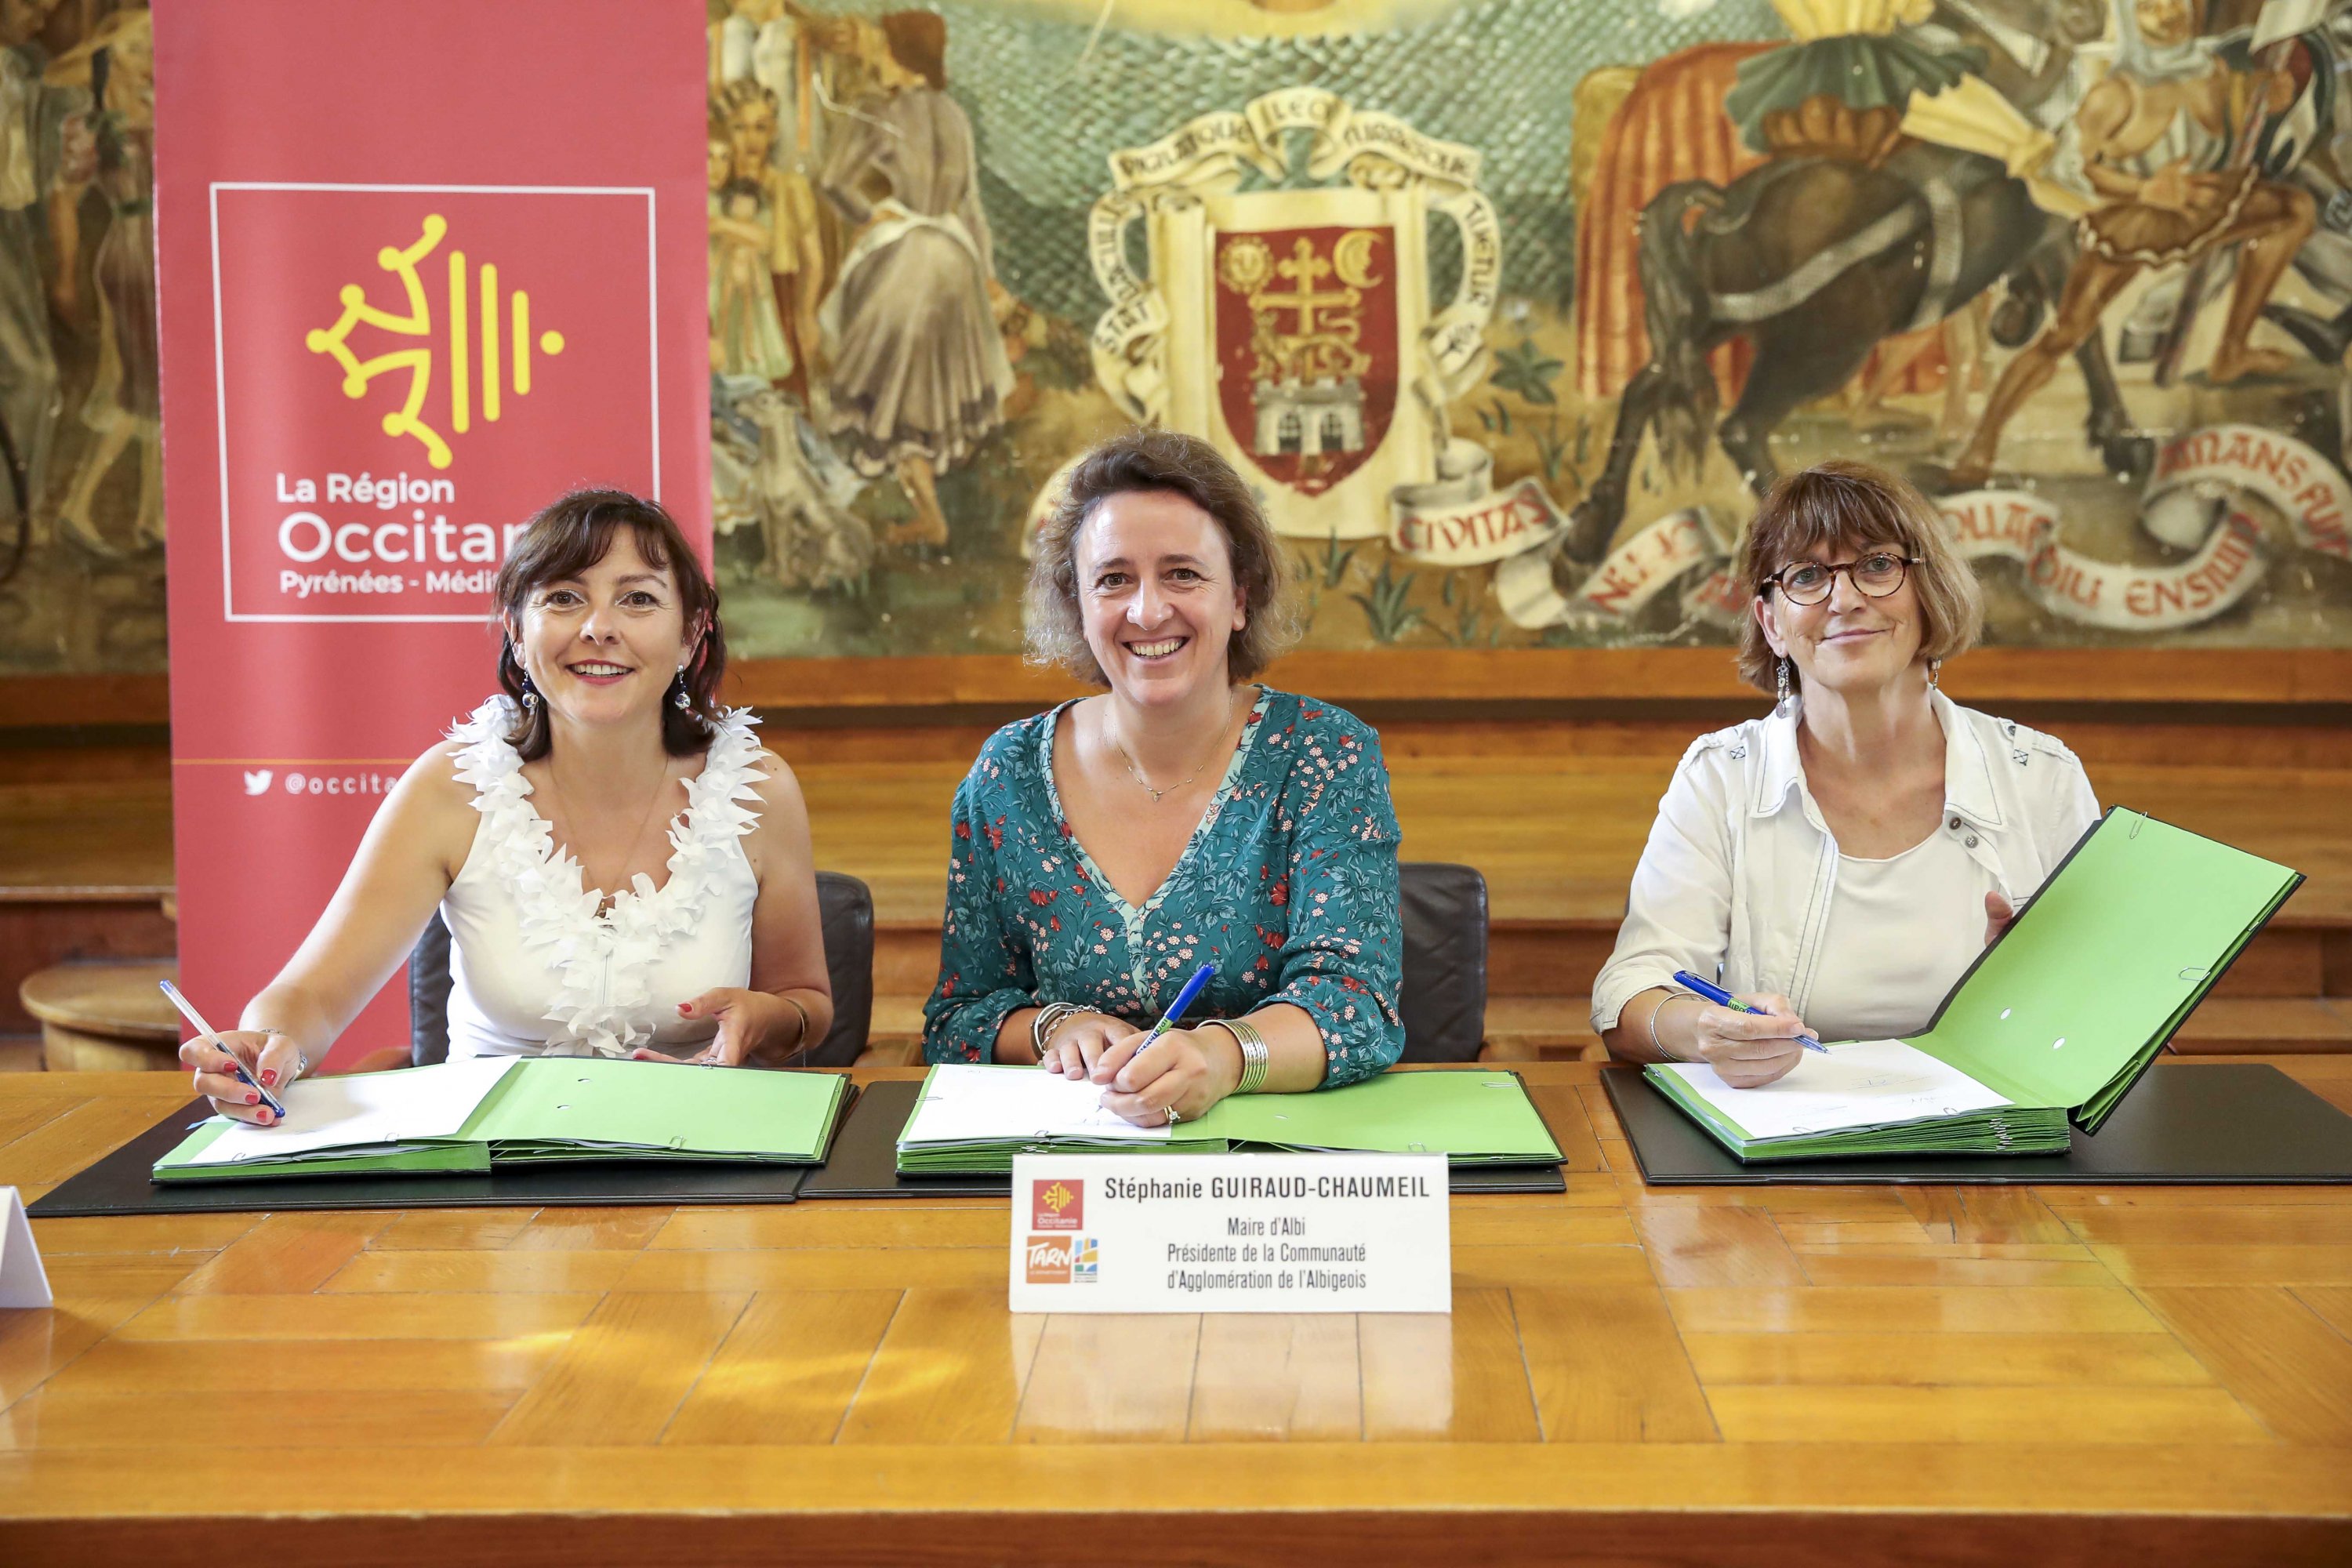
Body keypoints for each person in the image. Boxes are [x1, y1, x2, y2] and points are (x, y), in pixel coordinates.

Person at [178, 491, 833, 1124]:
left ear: (690, 634)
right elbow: (311, 996)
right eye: (564, 598)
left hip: (693, 1145)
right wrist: (268, 1047)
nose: (599, 628)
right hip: (485, 1164)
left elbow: (807, 1003)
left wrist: (769, 1019)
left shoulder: (760, 788)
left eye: (637, 599)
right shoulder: (449, 787)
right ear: (518, 632)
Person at [924, 429, 1403, 1126]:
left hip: (1276, 1164)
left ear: (1240, 598)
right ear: (1078, 605)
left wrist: (1222, 1057)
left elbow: (1356, 1008)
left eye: (1182, 574)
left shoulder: (1325, 754)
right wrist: (1052, 1028)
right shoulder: (1007, 774)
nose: (1147, 611)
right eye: (1114, 579)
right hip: (1070, 1168)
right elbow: (959, 1018)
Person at [1593, 459, 2098, 1088]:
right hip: (1783, 1133)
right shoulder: (1719, 778)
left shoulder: (2043, 778)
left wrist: (2048, 988)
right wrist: (1704, 1030)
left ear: (1928, 593)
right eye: (1807, 575)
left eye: (1878, 565)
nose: (1846, 598)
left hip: (2001, 1128)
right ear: (1772, 624)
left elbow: (2122, 1007)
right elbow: (1630, 992)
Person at [809, 9, 1013, 549]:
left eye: (883, 45)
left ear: (901, 54)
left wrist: (869, 213)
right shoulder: (954, 115)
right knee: (924, 389)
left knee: (893, 389)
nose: (876, 53)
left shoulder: (879, 109)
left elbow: (831, 180)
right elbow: (970, 206)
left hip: (909, 257)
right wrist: (988, 277)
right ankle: (930, 514)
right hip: (956, 260)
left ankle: (925, 512)